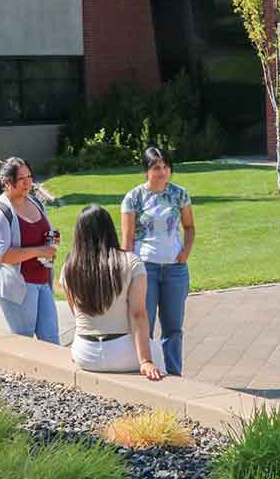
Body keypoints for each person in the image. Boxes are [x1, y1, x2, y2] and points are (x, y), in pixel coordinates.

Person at [60, 204, 164, 380]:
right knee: (158, 350)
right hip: (123, 352)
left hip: (85, 354)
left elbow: (75, 311)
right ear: (109, 229)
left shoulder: (68, 267)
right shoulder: (131, 263)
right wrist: (145, 360)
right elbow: (138, 314)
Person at [121, 146, 195, 376]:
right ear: (146, 171)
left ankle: (174, 373)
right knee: (144, 322)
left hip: (175, 270)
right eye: (156, 168)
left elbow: (189, 227)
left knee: (173, 327)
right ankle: (146, 367)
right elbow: (127, 239)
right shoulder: (133, 198)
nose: (162, 172)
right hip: (145, 269)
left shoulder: (179, 194)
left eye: (165, 167)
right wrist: (128, 270)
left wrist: (185, 252)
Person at [0, 157, 60, 344]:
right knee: (23, 343)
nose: (28, 182)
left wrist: (51, 242)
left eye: (30, 176)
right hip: (18, 287)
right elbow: (2, 255)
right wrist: (40, 251)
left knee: (52, 342)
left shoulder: (36, 203)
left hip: (43, 283)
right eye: (21, 179)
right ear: (7, 183)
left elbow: (42, 237)